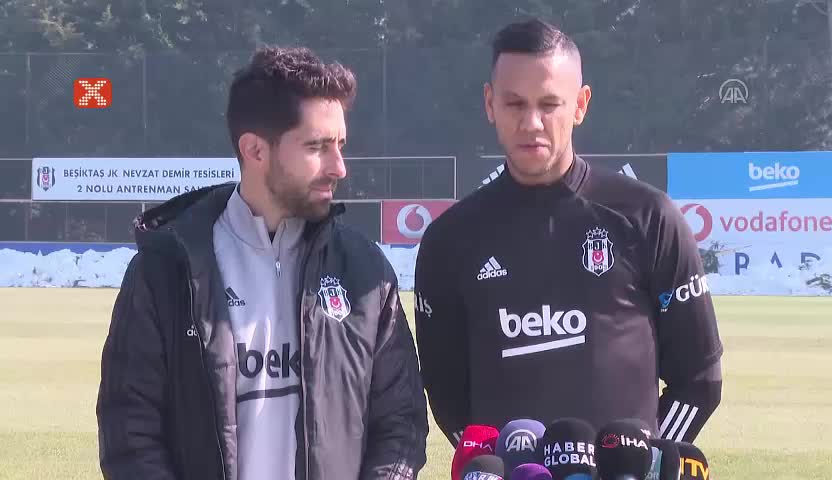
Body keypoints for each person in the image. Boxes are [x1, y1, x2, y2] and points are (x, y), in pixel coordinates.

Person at [96, 46, 428, 480]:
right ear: (254, 150)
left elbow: (402, 424)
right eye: (317, 147)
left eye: (340, 145)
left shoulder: (365, 272)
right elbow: (128, 433)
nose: (339, 167)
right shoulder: (165, 271)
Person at [414, 18, 723, 447]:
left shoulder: (648, 217)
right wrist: (499, 463)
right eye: (514, 104)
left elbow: (700, 377)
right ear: (489, 104)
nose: (532, 123)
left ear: (580, 105)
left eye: (549, 104)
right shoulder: (448, 241)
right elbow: (445, 392)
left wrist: (646, 459)